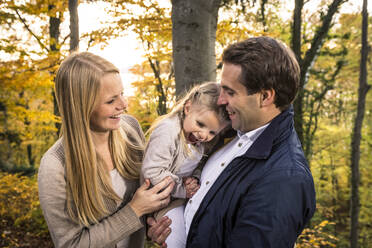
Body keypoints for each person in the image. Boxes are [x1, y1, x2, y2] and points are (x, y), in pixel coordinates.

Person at [147, 36, 316, 248]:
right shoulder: (228, 132)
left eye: (230, 92)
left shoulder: (284, 179)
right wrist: (169, 231)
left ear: (265, 97)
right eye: (221, 88)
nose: (220, 100)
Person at [38, 52, 174, 248]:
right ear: (81, 107)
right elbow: (71, 245)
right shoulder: (55, 166)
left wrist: (155, 225)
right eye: (111, 101)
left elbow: (146, 201)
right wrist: (134, 210)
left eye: (122, 94)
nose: (124, 105)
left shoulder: (131, 131)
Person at [142, 82, 230, 247]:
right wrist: (182, 188)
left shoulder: (201, 142)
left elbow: (199, 164)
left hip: (182, 197)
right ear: (188, 108)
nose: (204, 135)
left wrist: (193, 179)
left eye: (212, 132)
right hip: (161, 200)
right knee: (178, 240)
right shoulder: (168, 132)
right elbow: (152, 171)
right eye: (200, 124)